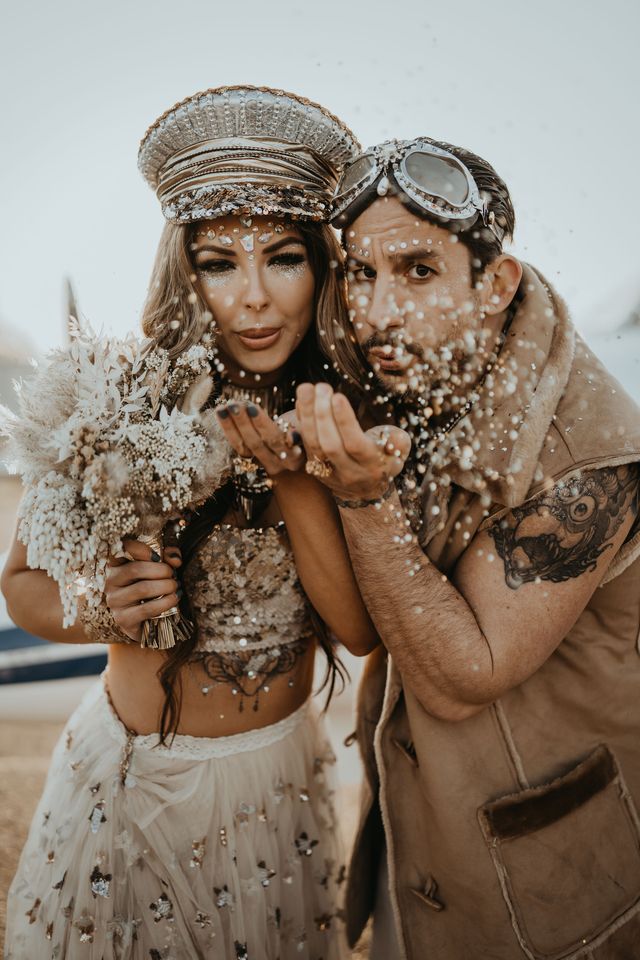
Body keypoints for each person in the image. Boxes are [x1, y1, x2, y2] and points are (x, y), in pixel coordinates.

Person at [2, 85, 377, 960]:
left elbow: (358, 631)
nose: (252, 298)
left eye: (282, 258)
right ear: (183, 269)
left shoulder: (341, 414)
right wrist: (102, 608)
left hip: (278, 789)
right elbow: (21, 589)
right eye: (219, 262)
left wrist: (293, 483)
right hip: (130, 785)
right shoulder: (116, 395)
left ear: (321, 266)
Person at [294, 138, 640, 958]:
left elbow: (460, 680)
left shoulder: (589, 453)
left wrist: (361, 498)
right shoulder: (412, 366)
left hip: (556, 891)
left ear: (497, 284)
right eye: (358, 273)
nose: (376, 311)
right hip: (421, 848)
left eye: (418, 270)